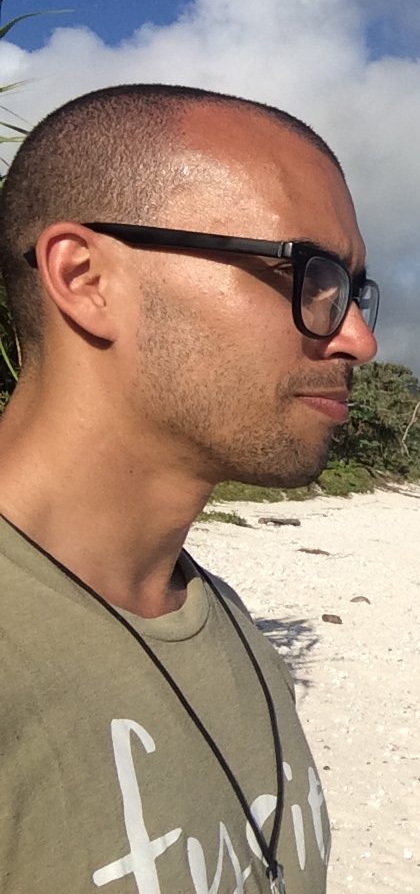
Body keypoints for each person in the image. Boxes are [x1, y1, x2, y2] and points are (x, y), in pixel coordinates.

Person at [0, 84, 379, 893]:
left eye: (353, 288)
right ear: (85, 276)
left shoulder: (219, 619)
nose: (358, 336)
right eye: (309, 276)